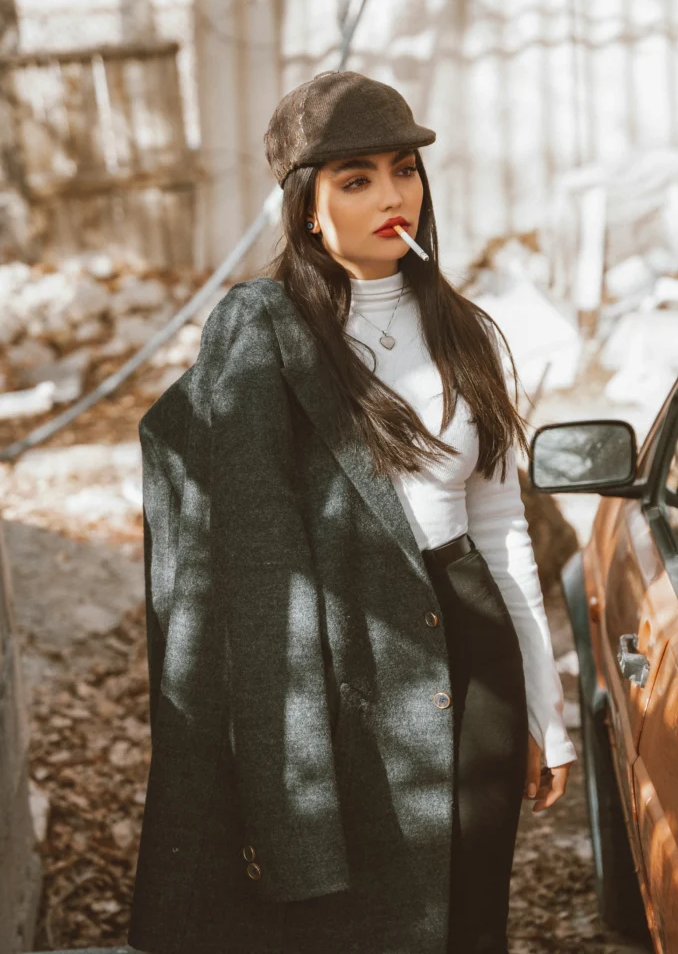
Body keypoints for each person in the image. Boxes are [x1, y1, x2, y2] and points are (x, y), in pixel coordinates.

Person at [128, 70, 577, 954]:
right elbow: (253, 556)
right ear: (305, 206)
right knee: (354, 923)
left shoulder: (464, 329)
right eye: (355, 178)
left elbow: (498, 528)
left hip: (470, 637)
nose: (390, 195)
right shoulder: (263, 331)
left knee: (469, 914)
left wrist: (541, 705)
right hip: (343, 654)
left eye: (403, 169)